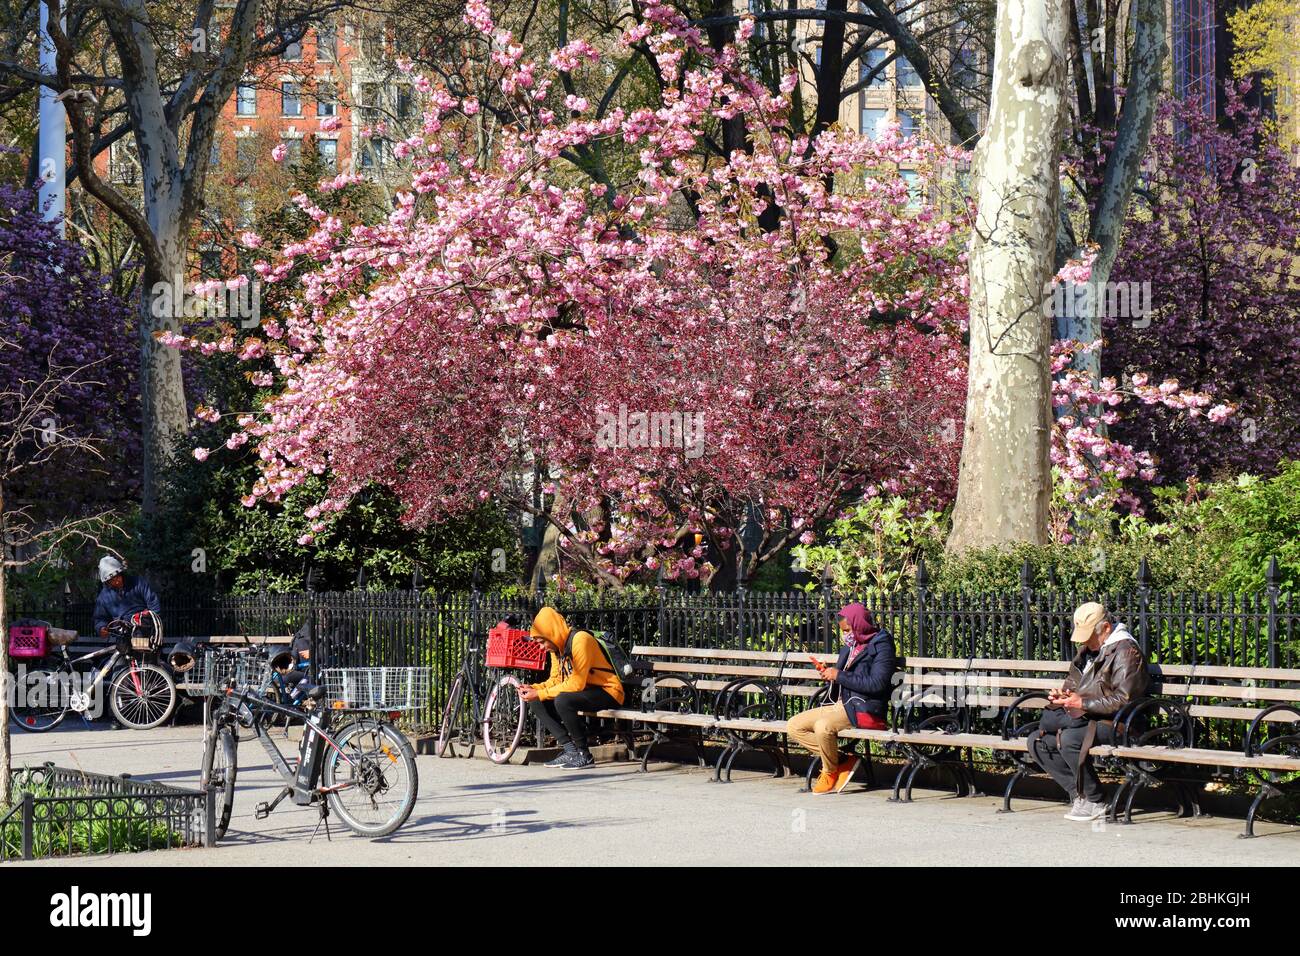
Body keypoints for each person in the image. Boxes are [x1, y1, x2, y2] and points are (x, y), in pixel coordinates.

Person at [1026, 602, 1149, 822]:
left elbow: (1125, 699)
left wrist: (1082, 704)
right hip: (1088, 718)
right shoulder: (1088, 651)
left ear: (1107, 629)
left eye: (1089, 635)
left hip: (1120, 724)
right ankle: (1079, 795)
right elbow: (1072, 684)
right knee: (1038, 740)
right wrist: (1062, 696)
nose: (1084, 641)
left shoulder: (1126, 652)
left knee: (1070, 738)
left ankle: (1097, 799)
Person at [787, 603, 897, 795]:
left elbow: (877, 683)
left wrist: (838, 675)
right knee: (794, 725)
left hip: (863, 707)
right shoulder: (850, 647)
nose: (846, 634)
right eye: (843, 631)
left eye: (848, 630)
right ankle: (843, 759)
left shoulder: (882, 645)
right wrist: (828, 671)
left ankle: (829, 772)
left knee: (823, 726)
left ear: (859, 625)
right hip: (841, 704)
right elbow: (843, 674)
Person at [518, 606, 624, 769]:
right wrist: (534, 688)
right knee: (536, 700)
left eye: (542, 642)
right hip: (585, 691)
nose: (541, 647)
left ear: (551, 633)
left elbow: (577, 683)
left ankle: (584, 755)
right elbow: (555, 680)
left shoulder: (580, 640)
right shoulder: (556, 649)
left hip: (608, 691)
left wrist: (541, 693)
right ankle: (570, 750)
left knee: (562, 700)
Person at [92, 555, 161, 639]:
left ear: (121, 573)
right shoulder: (104, 596)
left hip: (144, 630)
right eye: (112, 580)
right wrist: (101, 628)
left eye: (117, 577)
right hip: (121, 634)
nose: (116, 581)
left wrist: (149, 620)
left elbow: (154, 604)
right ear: (107, 582)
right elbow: (100, 618)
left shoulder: (138, 583)